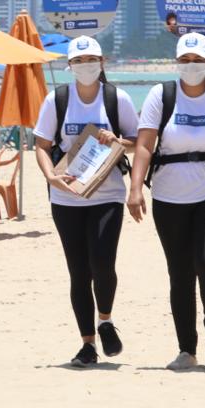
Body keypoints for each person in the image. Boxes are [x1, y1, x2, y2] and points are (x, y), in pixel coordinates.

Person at [128, 33, 205, 370]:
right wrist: (135, 188)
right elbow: (144, 145)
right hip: (169, 195)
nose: (191, 66)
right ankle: (186, 349)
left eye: (197, 60)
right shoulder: (161, 95)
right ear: (177, 62)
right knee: (179, 272)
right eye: (185, 60)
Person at [32, 36, 138, 368]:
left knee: (103, 265)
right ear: (69, 65)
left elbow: (138, 141)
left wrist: (117, 140)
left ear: (102, 62)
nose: (85, 66)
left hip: (108, 194)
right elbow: (41, 144)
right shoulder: (58, 99)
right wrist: (50, 176)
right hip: (67, 196)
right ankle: (87, 344)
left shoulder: (117, 99)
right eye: (78, 61)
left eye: (91, 59)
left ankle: (105, 319)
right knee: (78, 272)